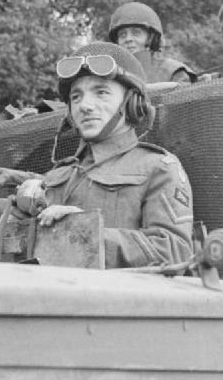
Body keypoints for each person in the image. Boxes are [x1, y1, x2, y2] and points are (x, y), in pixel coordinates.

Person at [13, 41, 194, 268]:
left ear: (133, 103)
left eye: (101, 92)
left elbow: (174, 249)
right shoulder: (58, 176)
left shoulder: (158, 167)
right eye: (76, 97)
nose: (85, 105)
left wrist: (88, 232)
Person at [108, 2, 197, 84]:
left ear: (150, 38)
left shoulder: (173, 71)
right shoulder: (110, 72)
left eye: (136, 33)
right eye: (122, 35)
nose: (128, 39)